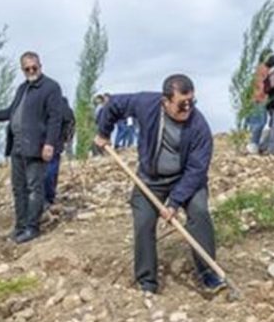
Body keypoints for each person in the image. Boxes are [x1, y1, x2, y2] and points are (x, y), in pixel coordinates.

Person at [94, 74, 226, 295]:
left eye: (191, 103)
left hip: (186, 180)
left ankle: (208, 273)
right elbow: (114, 104)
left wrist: (174, 202)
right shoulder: (148, 104)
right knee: (144, 222)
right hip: (150, 179)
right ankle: (147, 281)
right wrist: (103, 132)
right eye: (181, 104)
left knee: (200, 212)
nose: (187, 109)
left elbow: (196, 170)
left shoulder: (199, 126)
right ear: (165, 101)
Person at [0, 51, 64, 244]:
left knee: (34, 188)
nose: (31, 71)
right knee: (18, 188)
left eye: (34, 67)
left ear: (40, 65)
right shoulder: (22, 88)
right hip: (17, 147)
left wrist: (49, 143)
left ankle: (32, 227)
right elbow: (10, 111)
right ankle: (20, 227)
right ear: (22, 69)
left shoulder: (51, 87)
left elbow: (56, 118)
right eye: (27, 68)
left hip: (36, 147)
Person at [44, 96, 75, 206]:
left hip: (47, 143)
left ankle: (46, 196)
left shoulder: (48, 108)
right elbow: (71, 126)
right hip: (57, 144)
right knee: (52, 170)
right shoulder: (68, 111)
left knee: (47, 170)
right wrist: (67, 140)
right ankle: (50, 195)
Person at [246, 49, 272, 155]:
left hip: (255, 99)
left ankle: (256, 145)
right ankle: (253, 145)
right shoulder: (263, 69)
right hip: (259, 99)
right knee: (260, 122)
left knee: (257, 122)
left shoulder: (260, 68)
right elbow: (260, 85)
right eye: (268, 56)